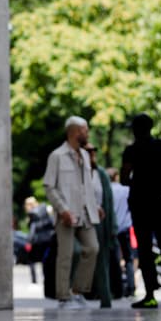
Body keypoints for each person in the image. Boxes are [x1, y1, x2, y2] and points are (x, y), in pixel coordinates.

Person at [120, 113, 161, 308]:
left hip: (141, 205)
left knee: (145, 249)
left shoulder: (132, 151)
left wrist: (139, 183)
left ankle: (150, 294)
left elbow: (124, 177)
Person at [43, 116, 101, 310]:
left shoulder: (84, 156)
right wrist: (63, 210)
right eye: (85, 130)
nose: (87, 133)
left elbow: (87, 186)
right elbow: (49, 186)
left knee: (92, 248)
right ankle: (63, 297)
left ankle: (78, 291)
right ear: (75, 132)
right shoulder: (57, 156)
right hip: (66, 214)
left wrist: (96, 206)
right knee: (66, 255)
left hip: (85, 213)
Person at [83, 143, 115, 308]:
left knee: (102, 260)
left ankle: (105, 297)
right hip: (83, 221)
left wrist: (112, 227)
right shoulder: (79, 173)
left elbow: (108, 200)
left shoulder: (101, 173)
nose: (91, 154)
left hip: (101, 222)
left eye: (93, 151)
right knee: (84, 257)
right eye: (87, 151)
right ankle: (80, 294)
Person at [107, 168, 135, 298]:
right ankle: (131, 286)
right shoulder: (126, 191)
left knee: (114, 258)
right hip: (124, 227)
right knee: (128, 258)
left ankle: (116, 287)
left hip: (111, 228)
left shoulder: (106, 191)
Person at [24, 196, 55, 284]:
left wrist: (29, 241)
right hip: (48, 239)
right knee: (45, 261)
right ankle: (46, 279)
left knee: (31, 260)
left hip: (37, 241)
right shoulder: (44, 209)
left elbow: (32, 229)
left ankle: (34, 280)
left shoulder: (32, 214)